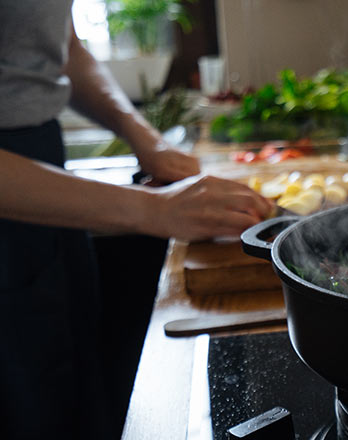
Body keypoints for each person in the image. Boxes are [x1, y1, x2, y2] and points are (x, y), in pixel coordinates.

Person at [0, 2, 271, 438]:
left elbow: (62, 43)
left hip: (47, 176)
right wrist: (154, 209)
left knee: (74, 390)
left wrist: (144, 136)